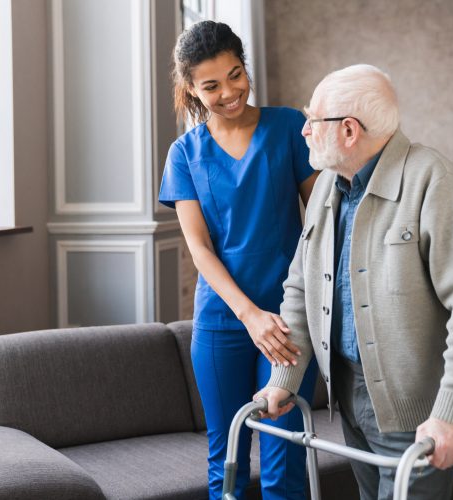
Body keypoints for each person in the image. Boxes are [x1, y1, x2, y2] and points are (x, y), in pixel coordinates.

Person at [255, 64, 453, 500]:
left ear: (349, 131)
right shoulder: (327, 189)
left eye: (312, 120)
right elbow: (301, 287)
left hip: (417, 413)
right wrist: (284, 377)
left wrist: (451, 414)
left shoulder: (431, 180)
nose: (304, 132)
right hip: (348, 400)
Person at [158, 21, 319, 500]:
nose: (229, 92)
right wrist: (249, 316)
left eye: (236, 75)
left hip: (289, 322)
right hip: (222, 323)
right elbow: (200, 249)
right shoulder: (184, 154)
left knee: (284, 459)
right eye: (211, 85)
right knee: (225, 458)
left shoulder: (289, 127)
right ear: (190, 88)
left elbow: (320, 224)